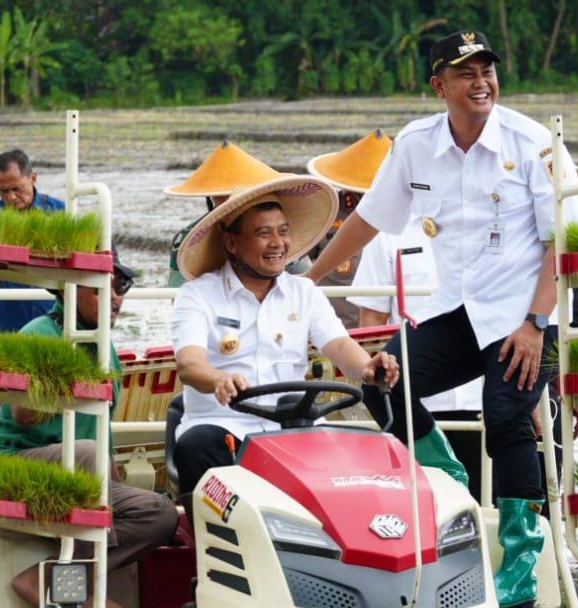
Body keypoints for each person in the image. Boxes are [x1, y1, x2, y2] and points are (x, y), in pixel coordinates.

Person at [305, 31, 578, 608]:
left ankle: (520, 563)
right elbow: (370, 219)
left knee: (506, 415)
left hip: (529, 315)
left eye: (487, 71)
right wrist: (310, 277)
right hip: (460, 310)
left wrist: (536, 323)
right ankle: (450, 483)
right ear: (439, 85)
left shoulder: (533, 142)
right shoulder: (417, 144)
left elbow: (564, 241)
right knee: (382, 381)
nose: (481, 83)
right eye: (466, 73)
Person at [169, 175, 399, 501]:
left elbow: (339, 344)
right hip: (224, 425)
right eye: (263, 233)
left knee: (357, 459)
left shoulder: (303, 292)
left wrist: (368, 367)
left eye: (283, 231)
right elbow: (190, 365)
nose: (277, 243)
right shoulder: (197, 295)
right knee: (196, 447)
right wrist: (218, 379)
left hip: (296, 428)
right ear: (231, 243)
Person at [0, 248, 177, 608]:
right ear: (70, 289)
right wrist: (67, 384)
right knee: (86, 453)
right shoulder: (38, 335)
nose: (115, 297)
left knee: (160, 514)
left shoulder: (104, 348)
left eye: (121, 286)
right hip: (14, 468)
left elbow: (100, 432)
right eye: (101, 288)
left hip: (82, 469)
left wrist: (118, 495)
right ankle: (76, 596)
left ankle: (44, 579)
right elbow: (23, 414)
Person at [309, 130, 482, 493]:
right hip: (415, 400)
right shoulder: (386, 235)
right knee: (425, 497)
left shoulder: (479, 228)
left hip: (478, 396)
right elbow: (371, 328)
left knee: (485, 494)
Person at [0, 149, 65, 333]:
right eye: (3, 191)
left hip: (54, 327)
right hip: (5, 327)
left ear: (33, 178)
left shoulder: (62, 214)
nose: (11, 197)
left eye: (17, 188)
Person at [164, 139, 283, 286]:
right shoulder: (189, 239)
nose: (233, 201)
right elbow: (178, 291)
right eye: (225, 194)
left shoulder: (279, 232)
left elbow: (302, 278)